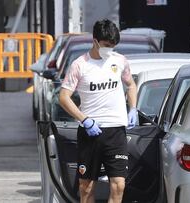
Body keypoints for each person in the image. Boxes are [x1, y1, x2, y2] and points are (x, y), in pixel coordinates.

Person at [59, 19, 137, 203]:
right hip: (90, 132)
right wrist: (85, 120)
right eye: (106, 45)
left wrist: (133, 108)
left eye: (113, 45)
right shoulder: (80, 65)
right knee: (86, 187)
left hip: (116, 131)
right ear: (95, 41)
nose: (110, 49)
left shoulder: (119, 61)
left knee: (119, 184)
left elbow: (131, 85)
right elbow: (63, 97)